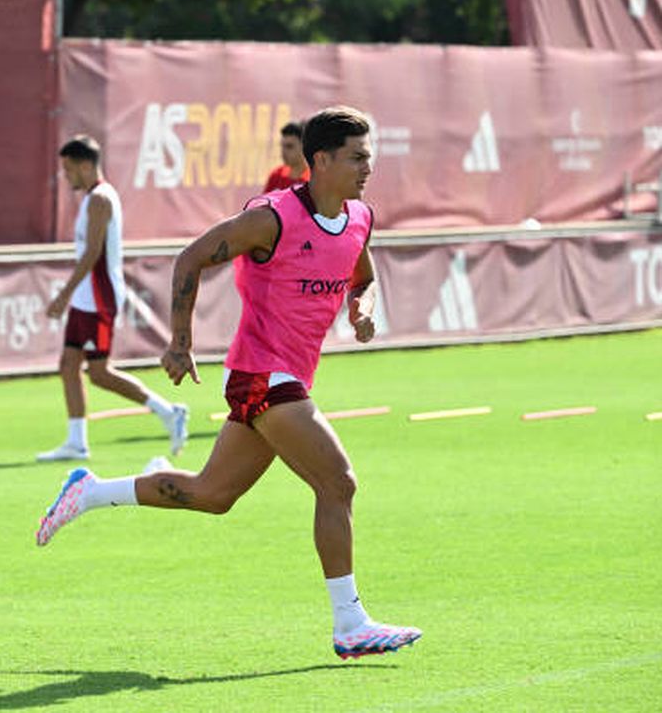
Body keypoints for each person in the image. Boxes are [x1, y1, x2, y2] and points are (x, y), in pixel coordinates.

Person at [36, 107, 421, 660]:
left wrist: (364, 309)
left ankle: (92, 491)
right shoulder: (273, 217)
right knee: (338, 483)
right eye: (358, 157)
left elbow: (365, 276)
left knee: (213, 495)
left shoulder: (360, 217)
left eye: (369, 156)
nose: (369, 166)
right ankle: (350, 623)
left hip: (287, 376)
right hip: (263, 373)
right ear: (321, 160)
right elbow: (191, 258)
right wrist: (179, 342)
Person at [37, 135, 189, 462]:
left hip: (97, 298)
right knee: (68, 365)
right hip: (85, 298)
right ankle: (76, 442)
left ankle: (168, 411)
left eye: (68, 169)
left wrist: (62, 295)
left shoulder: (100, 200)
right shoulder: (94, 197)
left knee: (100, 372)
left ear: (85, 165)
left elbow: (93, 253)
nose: (66, 177)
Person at [262, 120, 310, 193]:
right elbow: (263, 203)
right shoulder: (276, 176)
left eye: (289, 146)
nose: (283, 152)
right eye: (282, 146)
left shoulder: (313, 180)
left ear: (304, 146)